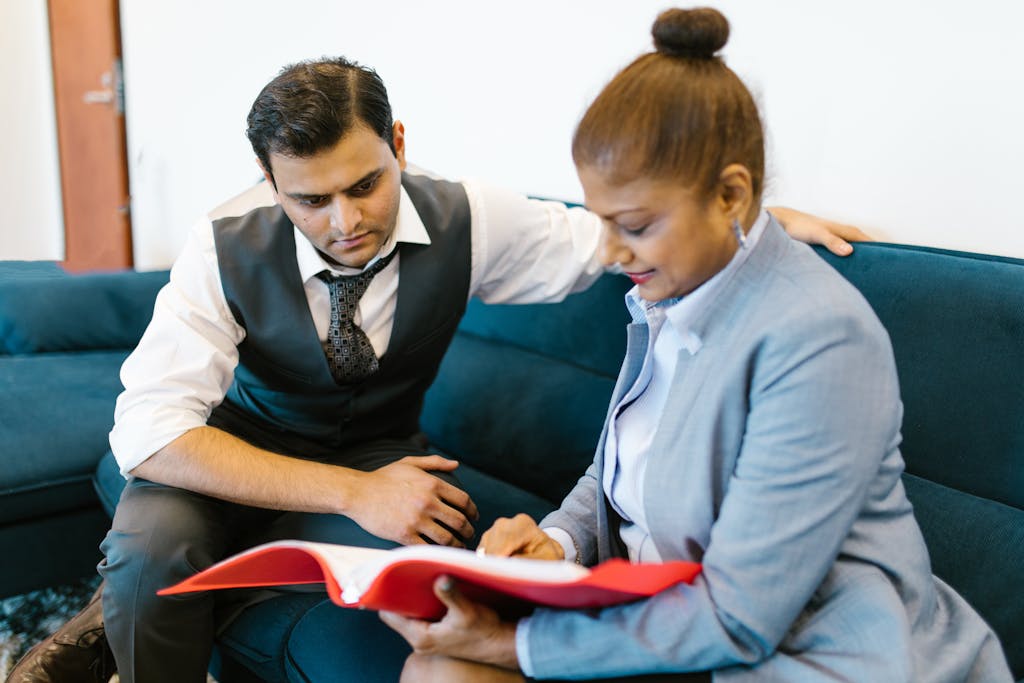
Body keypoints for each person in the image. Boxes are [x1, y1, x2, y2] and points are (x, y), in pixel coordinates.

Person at [8, 52, 863, 683]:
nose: (345, 221)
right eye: (310, 200)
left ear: (398, 144)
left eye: (366, 184)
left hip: (382, 454)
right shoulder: (219, 247)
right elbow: (150, 433)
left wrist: (729, 217)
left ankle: (122, 612)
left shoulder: (470, 217)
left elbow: (601, 240)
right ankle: (129, 619)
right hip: (226, 451)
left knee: (443, 573)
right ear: (270, 186)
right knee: (155, 550)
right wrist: (348, 493)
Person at [379, 8, 1014, 683]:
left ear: (731, 196)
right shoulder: (672, 293)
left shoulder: (820, 340)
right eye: (601, 221)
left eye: (636, 226)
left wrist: (512, 645)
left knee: (450, 667)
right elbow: (621, 471)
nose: (613, 252)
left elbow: (741, 615)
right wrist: (554, 542)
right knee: (438, 661)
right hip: (676, 619)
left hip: (808, 658)